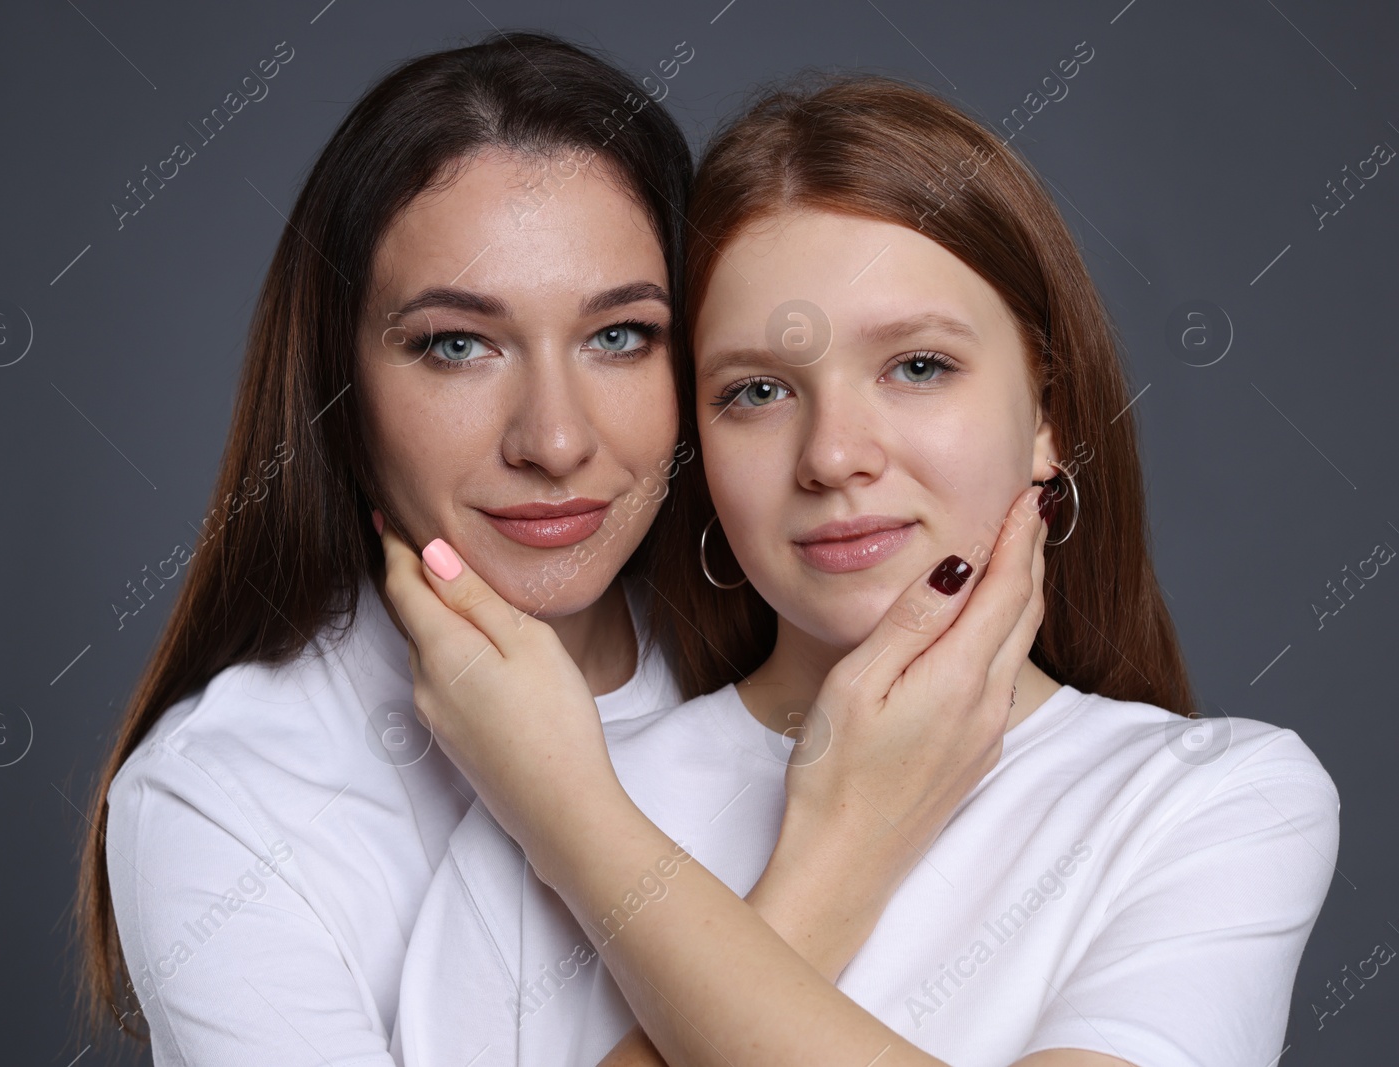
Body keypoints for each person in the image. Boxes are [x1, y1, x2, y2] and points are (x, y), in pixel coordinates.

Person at [380, 75, 1340, 1067]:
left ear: (1046, 413)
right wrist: (819, 846)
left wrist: (579, 826)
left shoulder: (1216, 800)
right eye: (756, 390)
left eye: (917, 366)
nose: (833, 455)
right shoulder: (530, 814)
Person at [71, 32, 696, 1063]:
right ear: (338, 386)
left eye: (619, 335)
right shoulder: (225, 799)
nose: (553, 438)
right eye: (457, 344)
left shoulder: (791, 661)